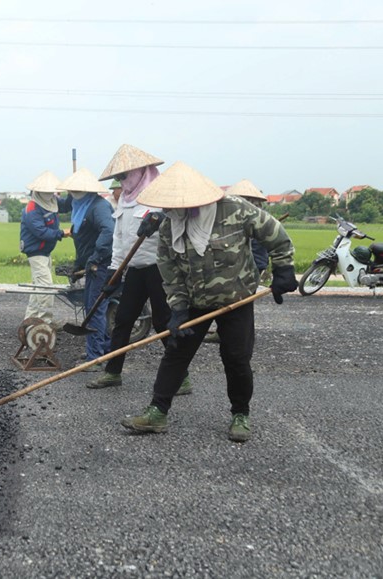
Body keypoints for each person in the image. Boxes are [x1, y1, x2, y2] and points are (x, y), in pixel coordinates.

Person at [120, 162, 297, 442]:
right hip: (193, 301)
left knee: (236, 358)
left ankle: (240, 414)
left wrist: (284, 270)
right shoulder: (169, 224)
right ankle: (157, 412)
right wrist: (177, 307)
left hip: (236, 299)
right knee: (175, 352)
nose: (173, 209)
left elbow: (276, 235)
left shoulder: (236, 209)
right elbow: (169, 269)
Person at [86, 145, 189, 395]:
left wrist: (162, 221)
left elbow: (180, 224)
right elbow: (120, 239)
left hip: (159, 269)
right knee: (122, 320)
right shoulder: (125, 198)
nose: (122, 181)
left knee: (163, 321)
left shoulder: (161, 195)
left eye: (124, 175)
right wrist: (114, 272)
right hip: (134, 269)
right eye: (119, 177)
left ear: (141, 171)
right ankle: (113, 372)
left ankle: (181, 377)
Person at [55, 168, 115, 370]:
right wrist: (41, 192)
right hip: (90, 262)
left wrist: (97, 256)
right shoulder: (78, 203)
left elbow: (109, 231)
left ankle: (95, 357)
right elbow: (61, 205)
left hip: (100, 264)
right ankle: (102, 350)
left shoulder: (98, 207)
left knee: (95, 308)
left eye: (73, 190)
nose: (70, 194)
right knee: (94, 307)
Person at [204, 179, 269, 343]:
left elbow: (259, 251)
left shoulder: (255, 219)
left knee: (243, 309)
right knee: (232, 305)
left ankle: (242, 340)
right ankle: (224, 333)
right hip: (238, 268)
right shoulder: (237, 218)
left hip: (250, 269)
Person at [19, 170, 72, 325]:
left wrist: (71, 190)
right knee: (46, 288)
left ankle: (30, 320)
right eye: (48, 191)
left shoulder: (51, 201)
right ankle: (44, 322)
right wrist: (62, 233)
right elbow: (40, 232)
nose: (51, 194)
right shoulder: (32, 208)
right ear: (38, 191)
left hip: (45, 252)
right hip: (36, 252)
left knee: (38, 288)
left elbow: (67, 205)